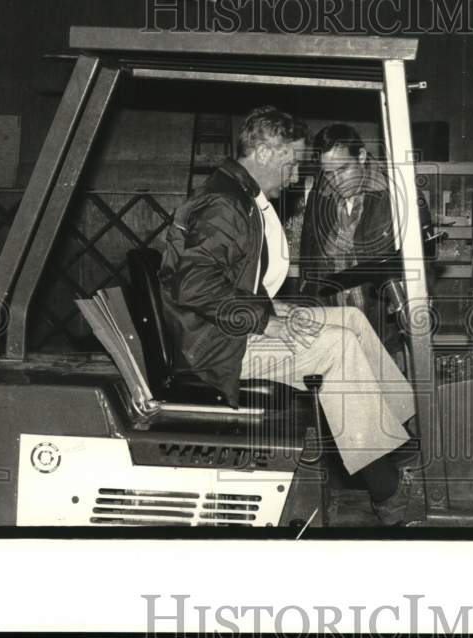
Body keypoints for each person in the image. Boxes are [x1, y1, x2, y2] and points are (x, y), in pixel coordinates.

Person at [158, 106, 418, 525]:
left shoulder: (236, 194)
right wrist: (265, 319)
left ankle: (398, 440)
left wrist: (271, 307)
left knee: (350, 322)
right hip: (215, 347)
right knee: (336, 349)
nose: (296, 176)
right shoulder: (225, 205)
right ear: (263, 152)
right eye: (292, 162)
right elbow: (193, 286)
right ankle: (386, 492)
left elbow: (228, 279)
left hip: (226, 328)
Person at [299, 123, 433, 361]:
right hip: (333, 325)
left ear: (361, 157)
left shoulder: (399, 195)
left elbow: (425, 262)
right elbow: (310, 264)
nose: (336, 181)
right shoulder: (319, 197)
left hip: (385, 328)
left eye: (344, 169)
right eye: (328, 173)